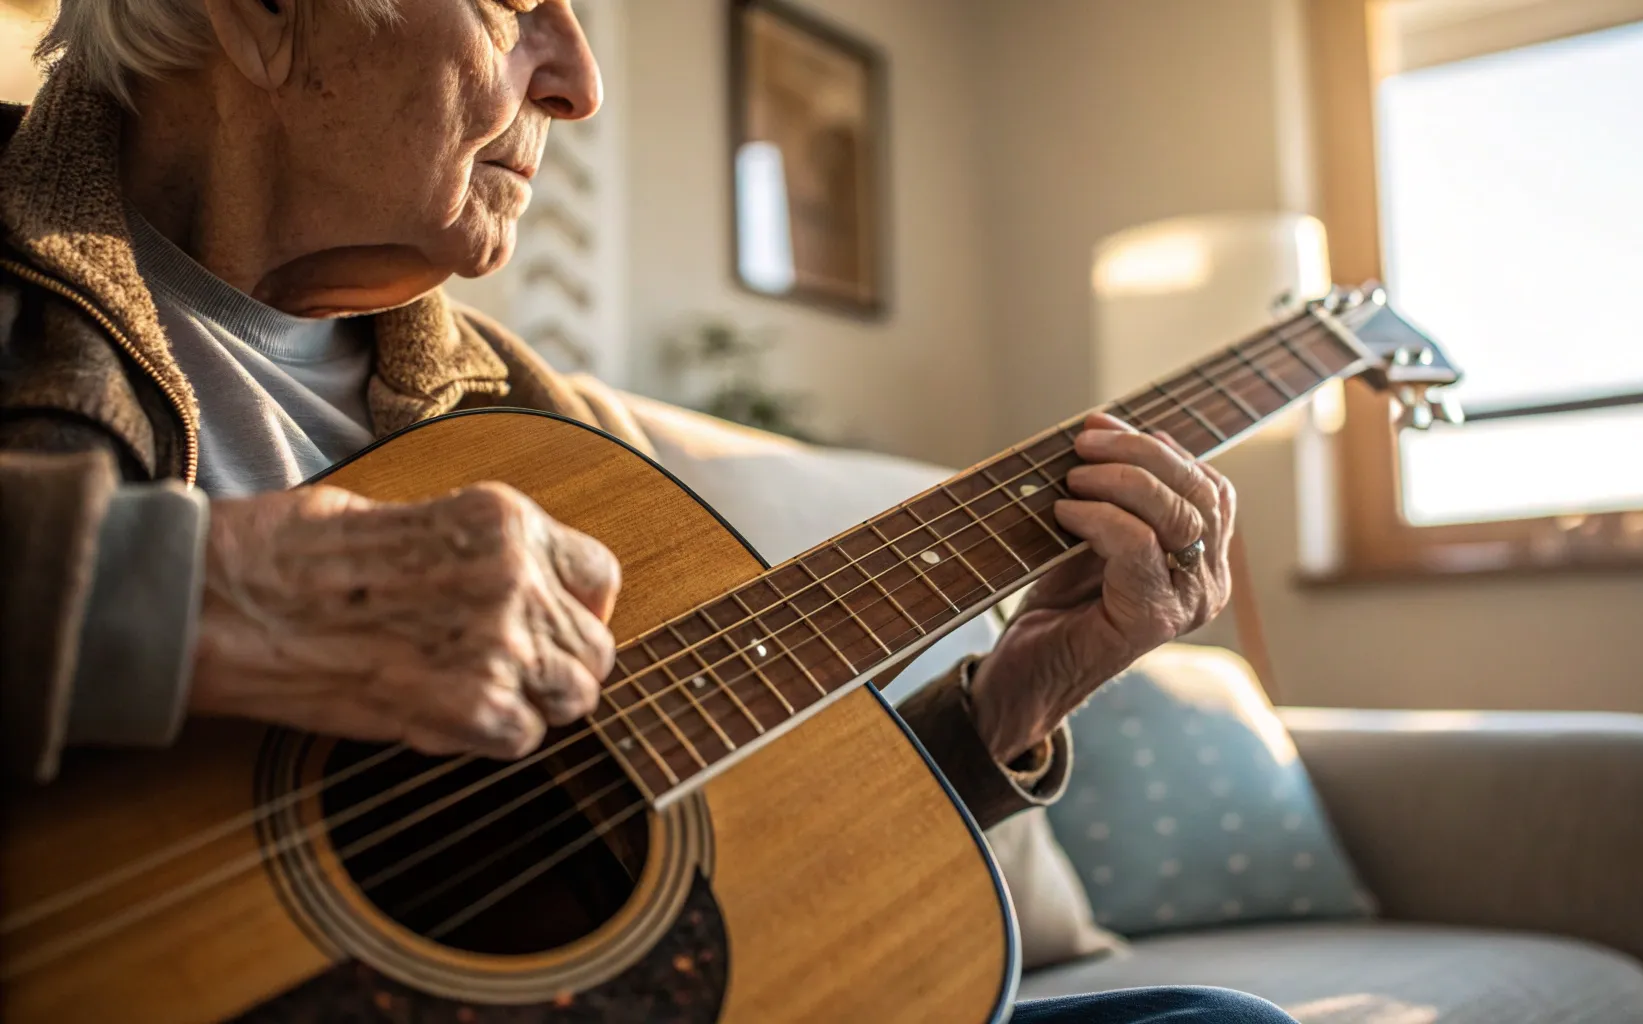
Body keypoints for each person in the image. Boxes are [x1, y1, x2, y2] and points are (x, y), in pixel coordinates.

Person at [0, 1, 1292, 1021]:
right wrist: (211, 593)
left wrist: (1013, 699)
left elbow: (690, 852)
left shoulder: (533, 418)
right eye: (519, 3)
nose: (579, 82)